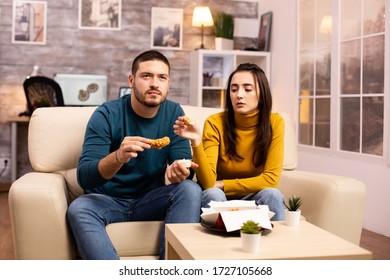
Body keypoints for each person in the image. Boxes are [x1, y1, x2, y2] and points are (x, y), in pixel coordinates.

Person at [67, 50, 202, 260]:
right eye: (146, 76)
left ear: (168, 83)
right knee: (79, 208)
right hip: (107, 200)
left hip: (150, 199)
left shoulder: (175, 113)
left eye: (162, 77)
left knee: (190, 190)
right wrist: (118, 157)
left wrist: (180, 172)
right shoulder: (106, 114)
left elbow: (183, 165)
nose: (154, 84)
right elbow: (84, 176)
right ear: (131, 80)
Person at [174, 63, 285, 221]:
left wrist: (223, 184)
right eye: (234, 89)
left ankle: (278, 246)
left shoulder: (275, 122)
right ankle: (218, 246)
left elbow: (271, 180)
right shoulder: (215, 123)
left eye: (247, 89)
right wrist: (196, 142)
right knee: (213, 193)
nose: (239, 95)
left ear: (262, 94)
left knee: (273, 195)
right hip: (220, 198)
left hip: (253, 196)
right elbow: (207, 184)